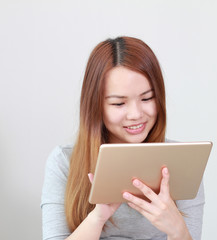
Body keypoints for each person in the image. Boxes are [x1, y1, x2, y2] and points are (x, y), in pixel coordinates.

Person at [41, 36, 205, 240]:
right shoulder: (64, 162)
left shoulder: (182, 161)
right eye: (119, 103)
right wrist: (97, 218)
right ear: (95, 106)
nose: (135, 114)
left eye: (147, 98)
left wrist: (177, 230)